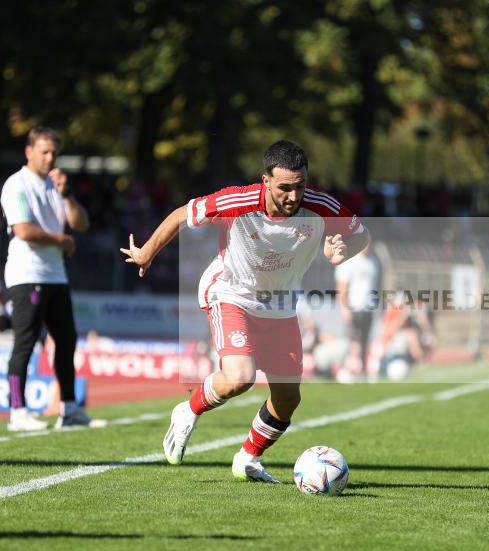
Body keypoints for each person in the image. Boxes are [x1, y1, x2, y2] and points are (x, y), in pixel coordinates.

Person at [121, 139, 370, 483]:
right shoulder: (237, 200)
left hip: (280, 306)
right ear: (265, 180)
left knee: (287, 401)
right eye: (284, 188)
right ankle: (188, 410)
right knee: (240, 377)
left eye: (300, 187)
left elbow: (361, 235)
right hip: (231, 293)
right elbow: (182, 214)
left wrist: (344, 250)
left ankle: (248, 458)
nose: (293, 197)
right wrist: (148, 252)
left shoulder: (322, 205)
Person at [0, 126, 105, 432]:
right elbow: (23, 230)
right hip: (27, 273)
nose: (49, 158)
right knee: (25, 342)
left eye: (53, 153)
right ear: (29, 151)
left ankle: (69, 409)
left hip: (55, 275)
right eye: (43, 151)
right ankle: (17, 412)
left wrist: (67, 195)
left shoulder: (54, 186)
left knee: (66, 340)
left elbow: (80, 223)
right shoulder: (16, 184)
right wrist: (61, 240)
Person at [334, 243, 379, 377]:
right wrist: (345, 308)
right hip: (354, 307)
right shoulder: (349, 261)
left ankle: (363, 370)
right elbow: (341, 285)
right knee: (350, 341)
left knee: (365, 341)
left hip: (368, 307)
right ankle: (345, 370)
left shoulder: (373, 261)